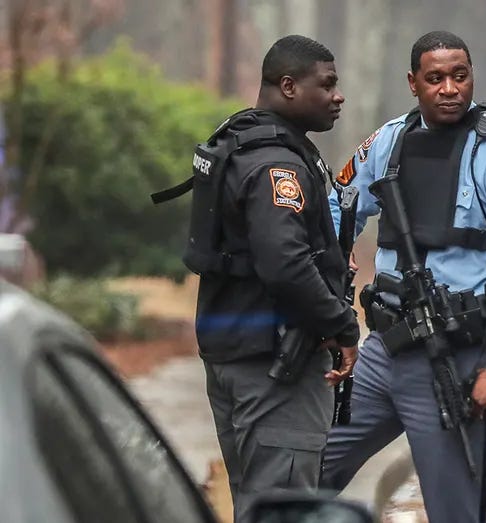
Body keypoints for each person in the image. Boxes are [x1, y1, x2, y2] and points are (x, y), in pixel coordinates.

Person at [320, 31, 486, 522]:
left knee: (457, 513)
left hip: (455, 364)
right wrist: (336, 256)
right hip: (382, 353)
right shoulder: (390, 140)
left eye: (460, 76)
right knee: (303, 471)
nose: (450, 88)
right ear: (413, 83)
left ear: (472, 77)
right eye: (435, 78)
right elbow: (336, 204)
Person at [152, 35, 359, 521]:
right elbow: (284, 264)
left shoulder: (242, 140)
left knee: (257, 506)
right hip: (273, 368)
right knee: (282, 512)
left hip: (235, 353)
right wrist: (342, 324)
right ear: (288, 86)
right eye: (326, 84)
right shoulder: (277, 163)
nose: (338, 95)